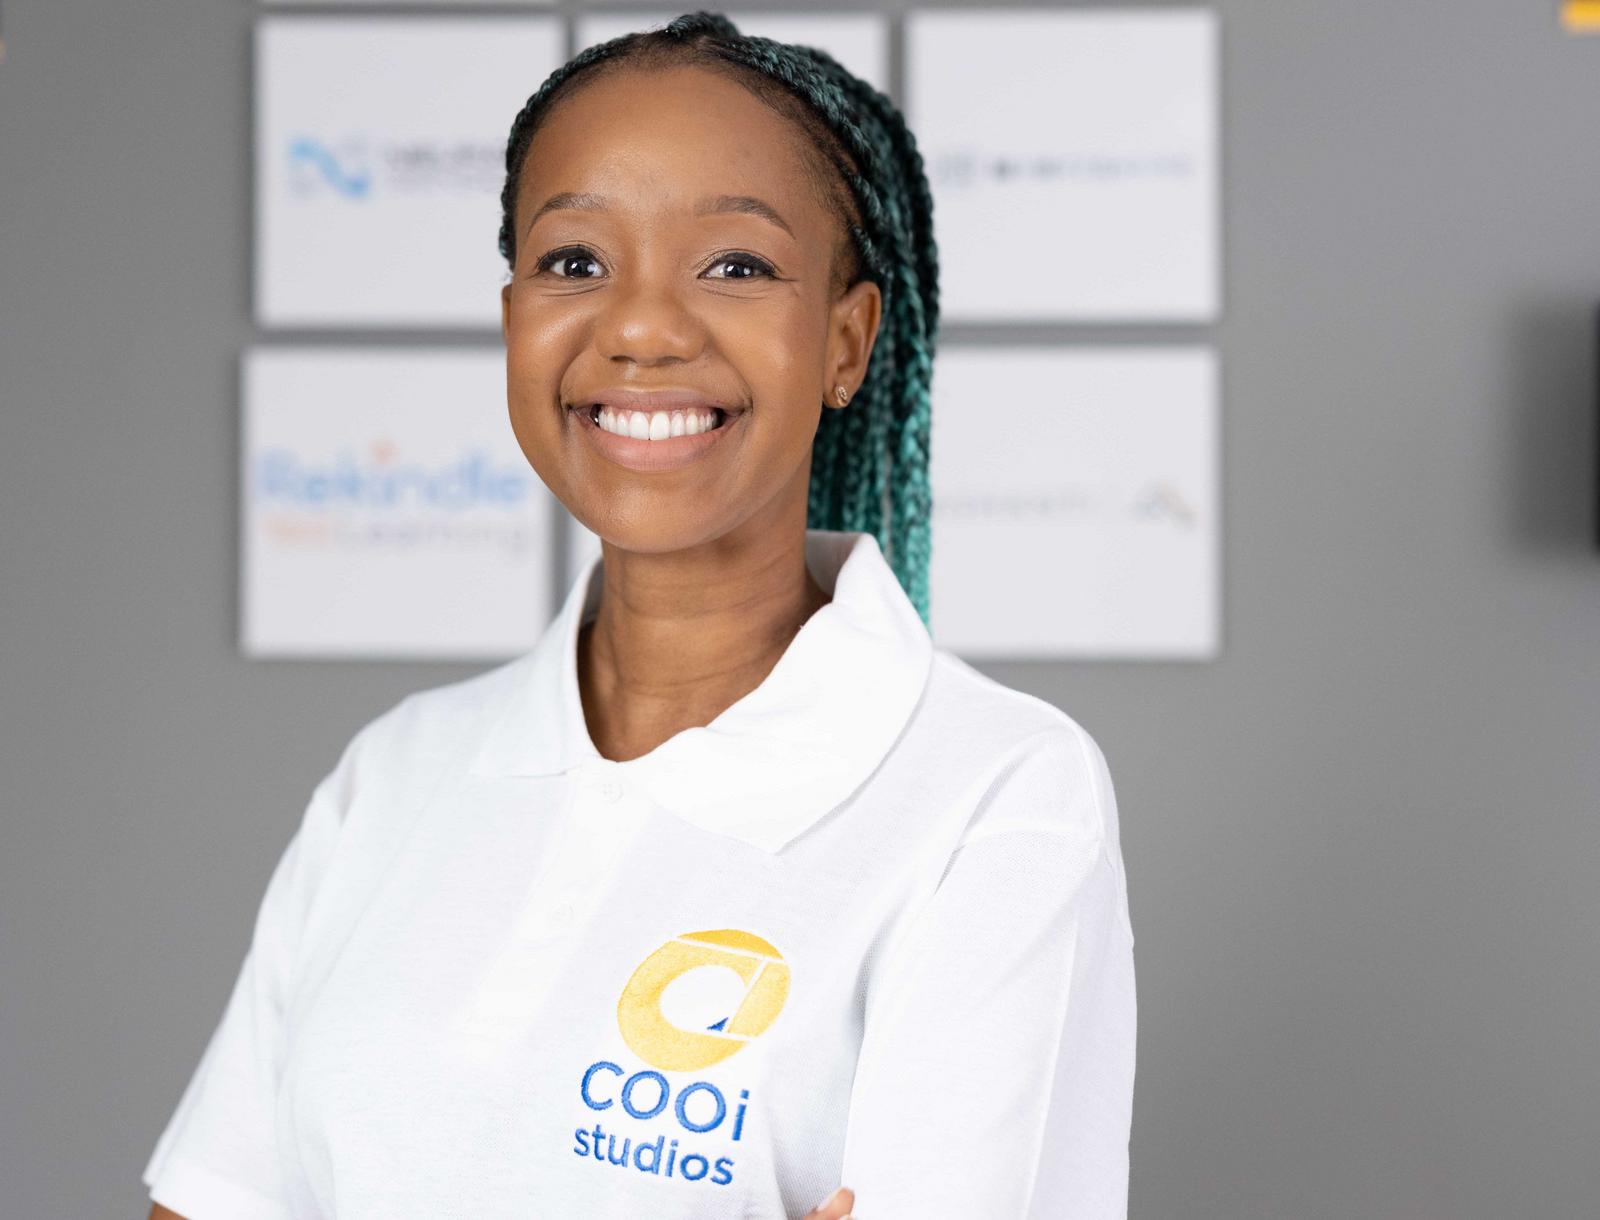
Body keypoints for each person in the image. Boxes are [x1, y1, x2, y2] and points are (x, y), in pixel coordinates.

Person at [142, 12, 1136, 1219]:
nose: (643, 327)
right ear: (512, 318)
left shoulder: (995, 795)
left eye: (735, 265)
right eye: (574, 262)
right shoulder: (395, 774)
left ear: (846, 340)